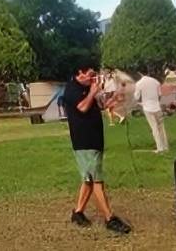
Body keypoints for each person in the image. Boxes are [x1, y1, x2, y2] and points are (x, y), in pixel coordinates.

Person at [62, 63, 131, 234]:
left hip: (95, 140)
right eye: (90, 75)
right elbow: (82, 107)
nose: (93, 78)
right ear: (80, 73)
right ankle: (110, 219)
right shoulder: (72, 89)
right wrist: (93, 92)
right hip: (84, 142)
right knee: (96, 180)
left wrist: (117, 95)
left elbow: (101, 105)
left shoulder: (87, 89)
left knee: (88, 180)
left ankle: (78, 213)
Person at [134, 71, 168, 154]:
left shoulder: (139, 83)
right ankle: (165, 146)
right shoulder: (155, 82)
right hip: (157, 107)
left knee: (154, 128)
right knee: (161, 127)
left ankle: (160, 148)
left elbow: (136, 97)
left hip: (148, 108)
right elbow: (159, 95)